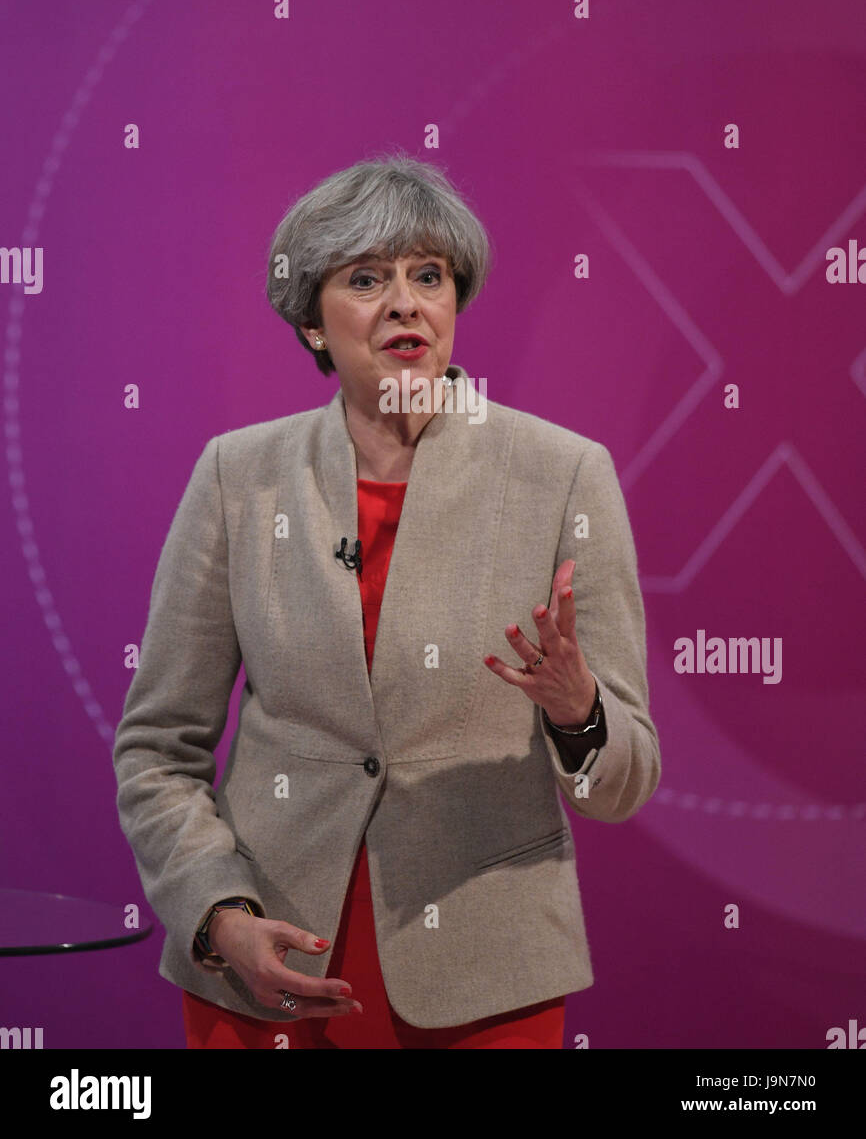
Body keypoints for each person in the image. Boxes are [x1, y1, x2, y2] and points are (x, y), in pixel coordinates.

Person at [113, 153, 661, 1049]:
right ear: (313, 326)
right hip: (271, 967)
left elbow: (620, 782)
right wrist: (218, 915)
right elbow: (157, 749)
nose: (405, 302)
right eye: (367, 278)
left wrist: (579, 714)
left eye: (428, 276)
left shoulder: (562, 476)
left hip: (486, 980)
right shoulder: (236, 478)